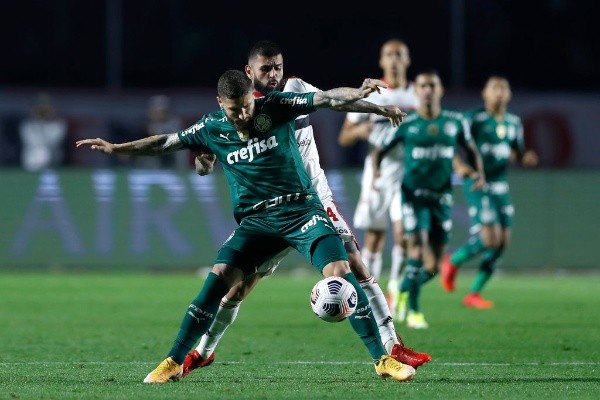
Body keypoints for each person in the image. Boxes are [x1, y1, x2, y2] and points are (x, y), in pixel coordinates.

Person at [77, 69, 417, 383]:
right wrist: (115, 148)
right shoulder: (212, 127)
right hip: (256, 223)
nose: (241, 115)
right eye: (233, 110)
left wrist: (362, 96)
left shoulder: (276, 107)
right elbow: (166, 142)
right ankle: (174, 360)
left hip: (301, 211)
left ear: (252, 97)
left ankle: (383, 360)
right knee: (219, 279)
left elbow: (327, 98)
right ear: (220, 104)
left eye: (245, 107)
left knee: (340, 269)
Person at [182, 40, 430, 378]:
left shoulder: (294, 91)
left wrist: (374, 106)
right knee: (239, 286)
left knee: (353, 260)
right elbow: (206, 158)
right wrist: (204, 162)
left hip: (314, 201)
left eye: (278, 67)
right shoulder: (238, 113)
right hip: (268, 212)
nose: (274, 74)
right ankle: (203, 350)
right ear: (249, 72)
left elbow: (332, 101)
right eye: (266, 69)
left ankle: (391, 346)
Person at [371, 70, 485, 329]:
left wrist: (478, 173)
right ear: (417, 91)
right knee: (417, 249)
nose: (428, 90)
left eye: (433, 85)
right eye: (423, 85)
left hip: (442, 198)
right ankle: (414, 311)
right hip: (413, 196)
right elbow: (380, 149)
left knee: (433, 266)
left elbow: (471, 150)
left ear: (440, 90)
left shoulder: (454, 122)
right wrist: (377, 173)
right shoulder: (407, 123)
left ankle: (403, 287)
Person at [440, 76, 538, 308]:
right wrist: (460, 166)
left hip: (500, 185)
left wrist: (526, 157)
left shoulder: (514, 122)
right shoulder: (474, 118)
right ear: (484, 94)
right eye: (494, 88)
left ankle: (473, 293)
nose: (499, 92)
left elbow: (516, 151)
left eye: (504, 88)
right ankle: (452, 261)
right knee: (489, 238)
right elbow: (447, 142)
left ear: (510, 94)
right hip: (477, 182)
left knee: (502, 242)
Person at [337, 39, 418, 317]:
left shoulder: (416, 96)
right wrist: (361, 131)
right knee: (374, 239)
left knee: (405, 235)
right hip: (378, 176)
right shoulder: (374, 94)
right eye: (389, 55)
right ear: (382, 61)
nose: (394, 59)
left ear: (407, 60)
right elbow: (344, 137)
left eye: (399, 54)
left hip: (408, 176)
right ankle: (373, 293)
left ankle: (396, 288)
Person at [19, 93, 68, 171]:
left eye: (46, 109)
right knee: (40, 152)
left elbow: (53, 143)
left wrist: (45, 122)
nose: (43, 112)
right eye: (40, 109)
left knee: (45, 152)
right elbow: (32, 143)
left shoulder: (58, 125)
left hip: (53, 159)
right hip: (31, 160)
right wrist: (39, 121)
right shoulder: (28, 125)